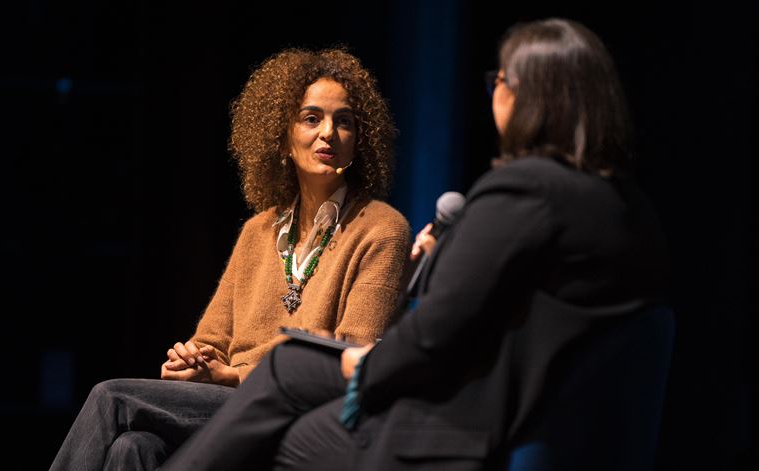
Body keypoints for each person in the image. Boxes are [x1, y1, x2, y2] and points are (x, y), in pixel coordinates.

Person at [159, 18, 671, 471]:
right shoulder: (628, 207)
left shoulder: (521, 192)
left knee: (286, 384)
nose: (494, 92)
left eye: (502, 80)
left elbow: (438, 335)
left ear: (533, 96)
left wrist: (364, 362)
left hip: (459, 431)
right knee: (146, 437)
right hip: (537, 421)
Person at [49, 48, 411, 471]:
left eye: (344, 121)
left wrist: (234, 376)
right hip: (227, 402)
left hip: (296, 409)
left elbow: (350, 359)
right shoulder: (258, 231)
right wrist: (193, 362)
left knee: (111, 398)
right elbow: (212, 340)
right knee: (135, 447)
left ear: (359, 140)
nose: (328, 132)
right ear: (283, 134)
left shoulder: (382, 229)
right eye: (311, 118)